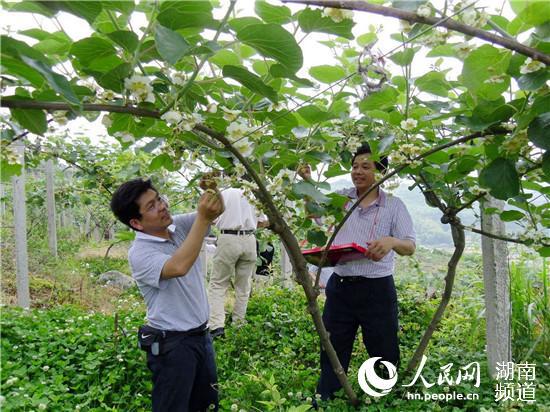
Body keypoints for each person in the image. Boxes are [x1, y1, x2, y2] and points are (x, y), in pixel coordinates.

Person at [110, 178, 224, 411]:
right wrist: (202, 218)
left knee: (207, 404)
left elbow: (215, 210)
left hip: (202, 337)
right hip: (172, 346)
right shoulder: (140, 253)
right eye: (151, 206)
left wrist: (212, 189)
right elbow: (178, 267)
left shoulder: (178, 226)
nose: (162, 206)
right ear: (136, 223)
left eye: (159, 199)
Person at [312, 144, 416, 400]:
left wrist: (391, 242)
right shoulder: (341, 199)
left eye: (366, 167)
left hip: (377, 290)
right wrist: (305, 183)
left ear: (381, 172)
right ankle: (328, 398)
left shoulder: (394, 206)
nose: (358, 171)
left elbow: (410, 245)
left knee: (383, 348)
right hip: (341, 286)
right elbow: (315, 214)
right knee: (333, 347)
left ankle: (384, 397)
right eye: (355, 166)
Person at [203, 173, 268, 338]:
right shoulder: (253, 195)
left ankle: (217, 326)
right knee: (243, 286)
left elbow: (210, 217)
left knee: (218, 283)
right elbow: (264, 222)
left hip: (228, 237)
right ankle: (239, 322)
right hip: (249, 239)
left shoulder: (223, 194)